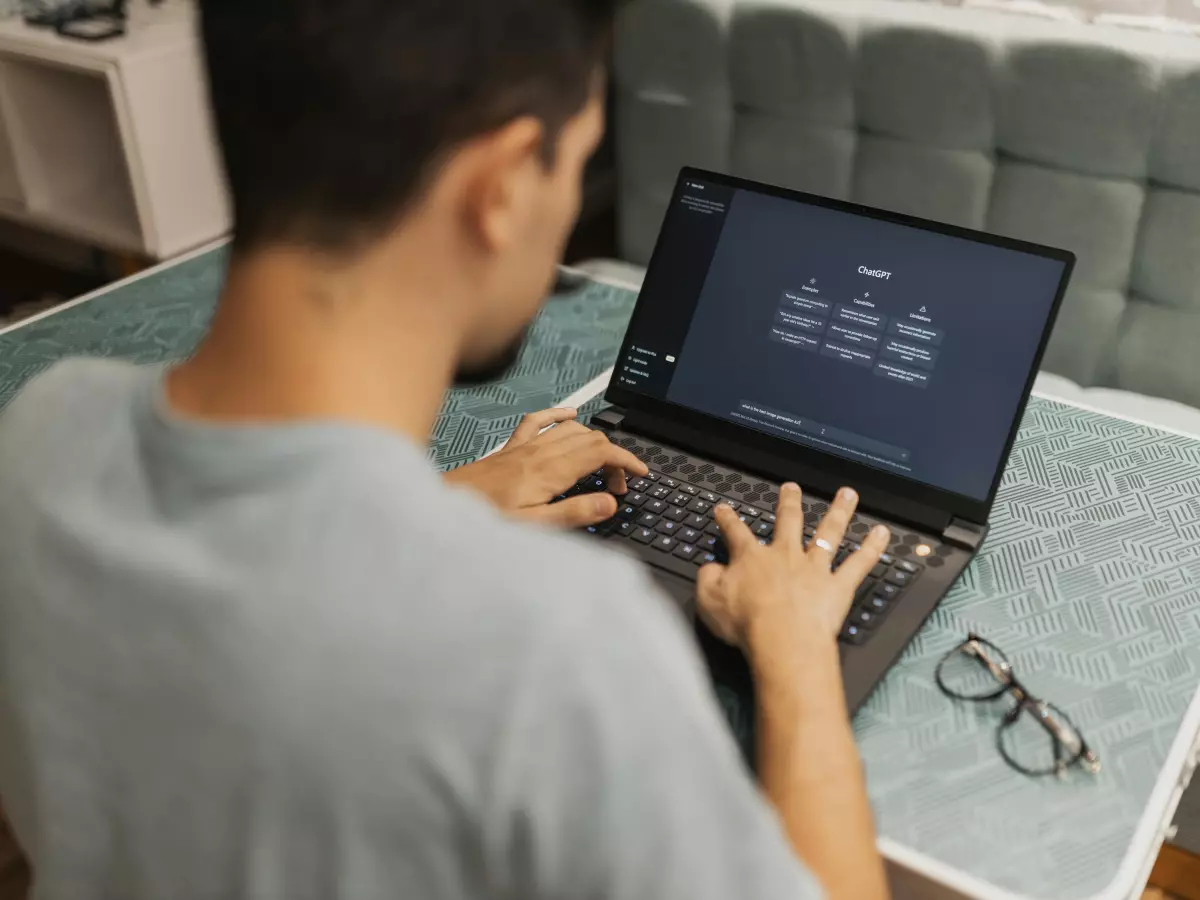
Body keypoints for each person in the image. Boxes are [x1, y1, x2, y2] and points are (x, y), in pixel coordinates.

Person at [0, 1, 892, 898]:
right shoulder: (554, 647)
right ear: (500, 186)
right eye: (577, 162)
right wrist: (795, 652)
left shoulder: (39, 439)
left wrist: (439, 509)